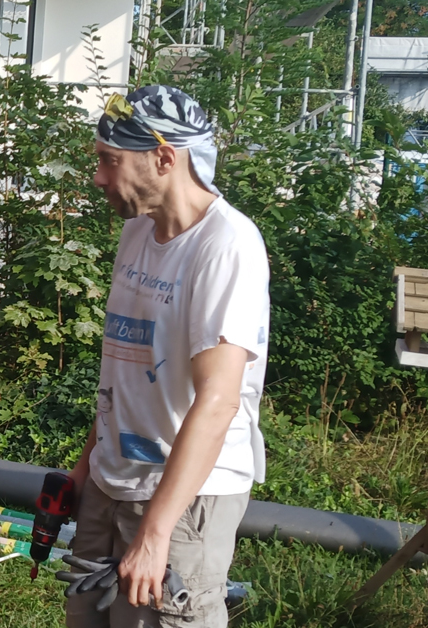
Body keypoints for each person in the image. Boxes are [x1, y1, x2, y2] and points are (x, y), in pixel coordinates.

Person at [64, 86, 271, 627]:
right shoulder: (138, 231)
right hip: (114, 481)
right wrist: (87, 465)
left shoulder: (227, 246)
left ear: (163, 158)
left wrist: (155, 534)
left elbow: (220, 400)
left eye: (110, 162)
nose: (99, 178)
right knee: (86, 616)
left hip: (181, 502)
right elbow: (126, 369)